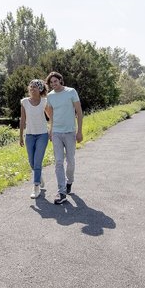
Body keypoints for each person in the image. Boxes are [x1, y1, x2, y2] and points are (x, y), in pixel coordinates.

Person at [45, 71, 83, 204]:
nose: (53, 84)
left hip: (70, 132)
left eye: (55, 81)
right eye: (51, 82)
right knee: (59, 162)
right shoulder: (50, 96)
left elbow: (79, 112)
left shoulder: (71, 92)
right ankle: (61, 192)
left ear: (60, 80)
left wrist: (79, 131)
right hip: (56, 132)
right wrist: (50, 130)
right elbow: (50, 115)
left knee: (71, 161)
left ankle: (69, 181)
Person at [19, 79, 49, 199]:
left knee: (37, 162)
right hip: (30, 135)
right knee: (31, 162)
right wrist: (21, 136)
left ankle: (36, 187)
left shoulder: (44, 102)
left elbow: (50, 116)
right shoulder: (24, 102)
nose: (32, 89)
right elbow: (22, 120)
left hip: (42, 134)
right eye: (30, 87)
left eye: (35, 87)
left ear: (40, 89)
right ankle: (39, 176)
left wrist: (51, 130)